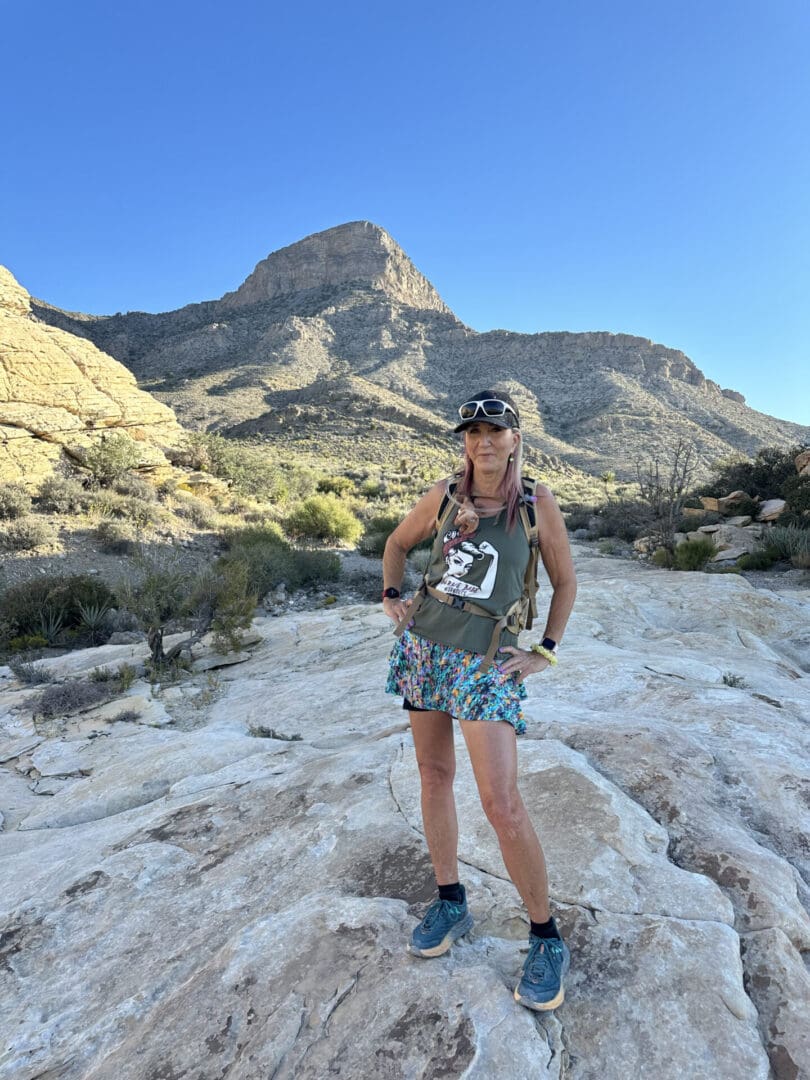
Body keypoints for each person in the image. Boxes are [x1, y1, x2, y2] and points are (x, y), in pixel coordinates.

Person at [382, 388, 577, 1011]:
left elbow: (565, 581)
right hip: (427, 648)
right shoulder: (443, 496)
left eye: (495, 431)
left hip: (487, 660)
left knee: (502, 802)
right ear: (463, 442)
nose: (483, 441)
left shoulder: (534, 503)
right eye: (472, 433)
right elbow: (396, 545)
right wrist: (392, 595)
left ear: (516, 438)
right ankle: (451, 901)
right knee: (434, 776)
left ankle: (546, 938)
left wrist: (544, 649)